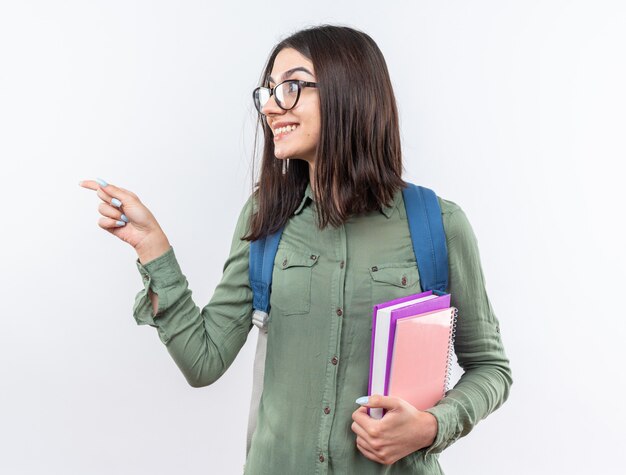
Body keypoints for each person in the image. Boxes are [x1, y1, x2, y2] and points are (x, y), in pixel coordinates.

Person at [79, 25, 512, 475]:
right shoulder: (265, 217)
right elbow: (203, 361)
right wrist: (153, 247)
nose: (269, 106)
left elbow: (490, 368)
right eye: (267, 91)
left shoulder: (439, 225)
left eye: (289, 87)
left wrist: (430, 426)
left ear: (350, 90)